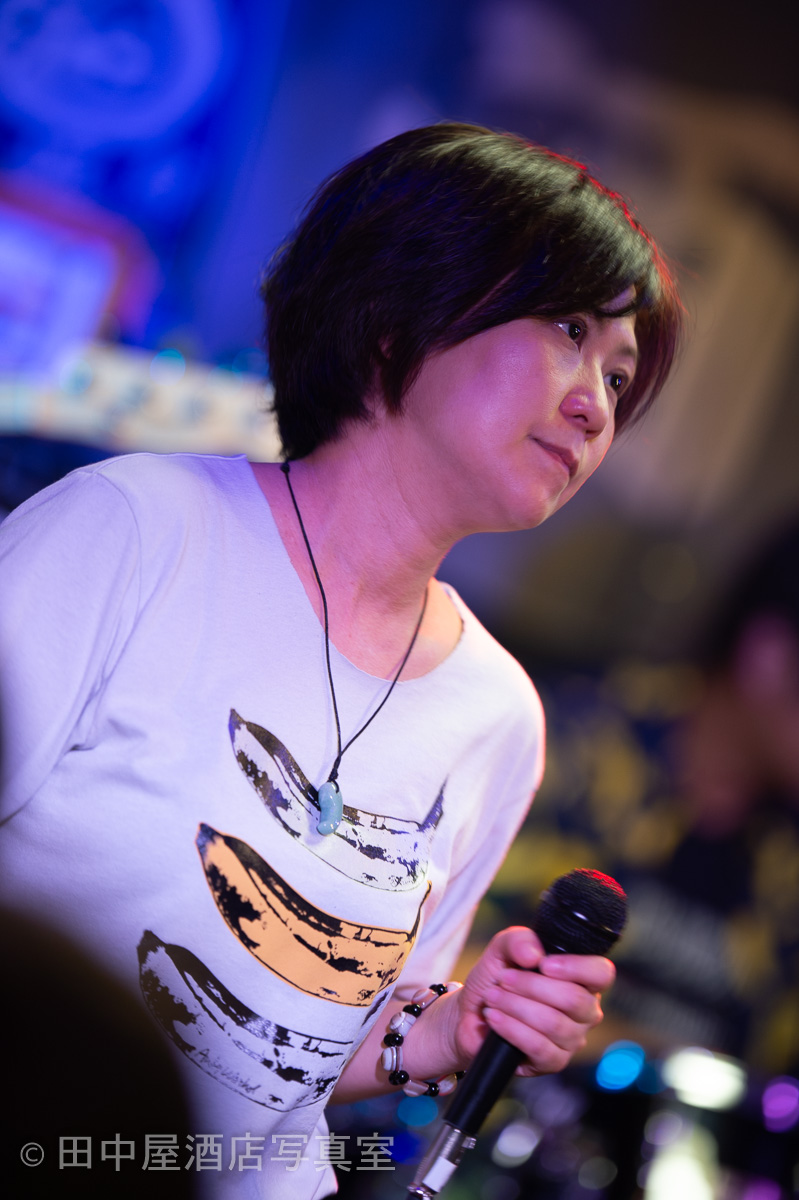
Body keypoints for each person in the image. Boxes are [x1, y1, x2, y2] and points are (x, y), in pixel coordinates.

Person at [0, 123, 681, 1199]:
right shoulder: (135, 530)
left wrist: (445, 1030)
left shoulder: (498, 714)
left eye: (620, 374)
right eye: (568, 330)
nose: (597, 404)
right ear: (400, 309)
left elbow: (310, 1051)